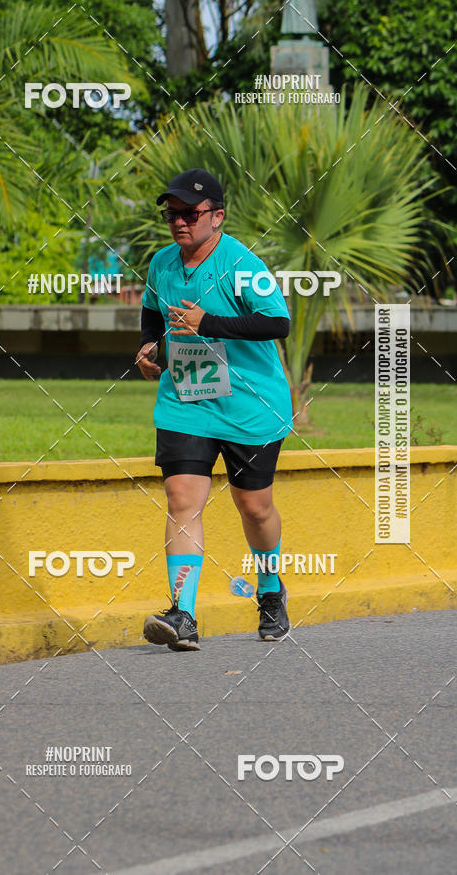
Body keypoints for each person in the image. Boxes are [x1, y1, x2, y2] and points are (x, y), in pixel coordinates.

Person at [136, 168, 293, 651]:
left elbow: (278, 323)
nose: (179, 221)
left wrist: (211, 323)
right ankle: (182, 613)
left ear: (217, 216)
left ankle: (270, 590)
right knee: (182, 501)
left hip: (250, 406)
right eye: (172, 213)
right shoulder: (162, 264)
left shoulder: (242, 264)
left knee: (254, 505)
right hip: (186, 402)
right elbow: (151, 313)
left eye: (190, 213)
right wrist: (149, 350)